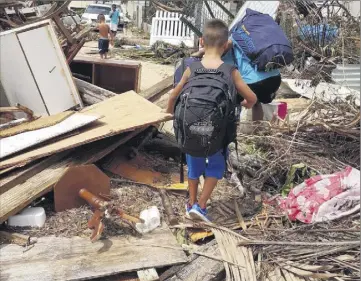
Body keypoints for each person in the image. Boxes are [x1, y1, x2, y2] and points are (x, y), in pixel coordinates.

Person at [166, 19, 257, 222]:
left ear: (201, 41)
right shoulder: (231, 71)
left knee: (194, 163)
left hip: (191, 128)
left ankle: (190, 203)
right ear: (226, 46)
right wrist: (244, 105)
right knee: (215, 167)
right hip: (217, 131)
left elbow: (173, 96)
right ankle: (202, 205)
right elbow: (252, 98)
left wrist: (170, 114)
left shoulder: (191, 68)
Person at [194, 32, 282, 122]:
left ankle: (231, 128)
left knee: (229, 99)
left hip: (254, 82)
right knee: (256, 102)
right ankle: (257, 130)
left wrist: (199, 53)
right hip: (274, 77)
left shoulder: (224, 50)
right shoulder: (241, 39)